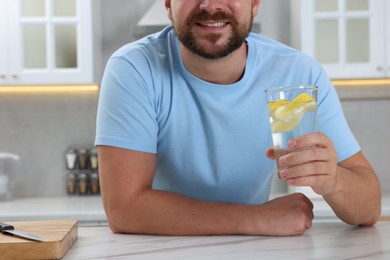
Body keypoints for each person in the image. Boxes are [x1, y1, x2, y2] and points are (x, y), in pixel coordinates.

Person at [95, 0, 381, 236]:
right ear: (168, 4)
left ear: (255, 4)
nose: (209, 5)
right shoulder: (135, 69)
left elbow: (368, 208)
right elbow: (124, 209)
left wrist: (331, 180)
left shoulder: (295, 76)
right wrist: (256, 219)